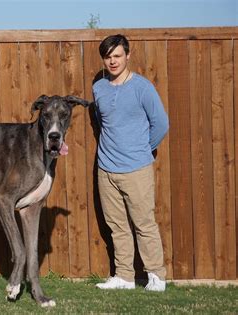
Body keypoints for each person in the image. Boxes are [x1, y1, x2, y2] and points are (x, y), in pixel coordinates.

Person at [92, 34, 169, 291]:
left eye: (117, 55)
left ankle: (156, 277)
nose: (112, 61)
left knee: (144, 224)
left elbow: (161, 124)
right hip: (106, 169)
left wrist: (142, 150)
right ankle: (124, 277)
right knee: (117, 226)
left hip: (137, 168)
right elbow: (105, 125)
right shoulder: (99, 88)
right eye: (107, 56)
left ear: (127, 55)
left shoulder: (142, 87)